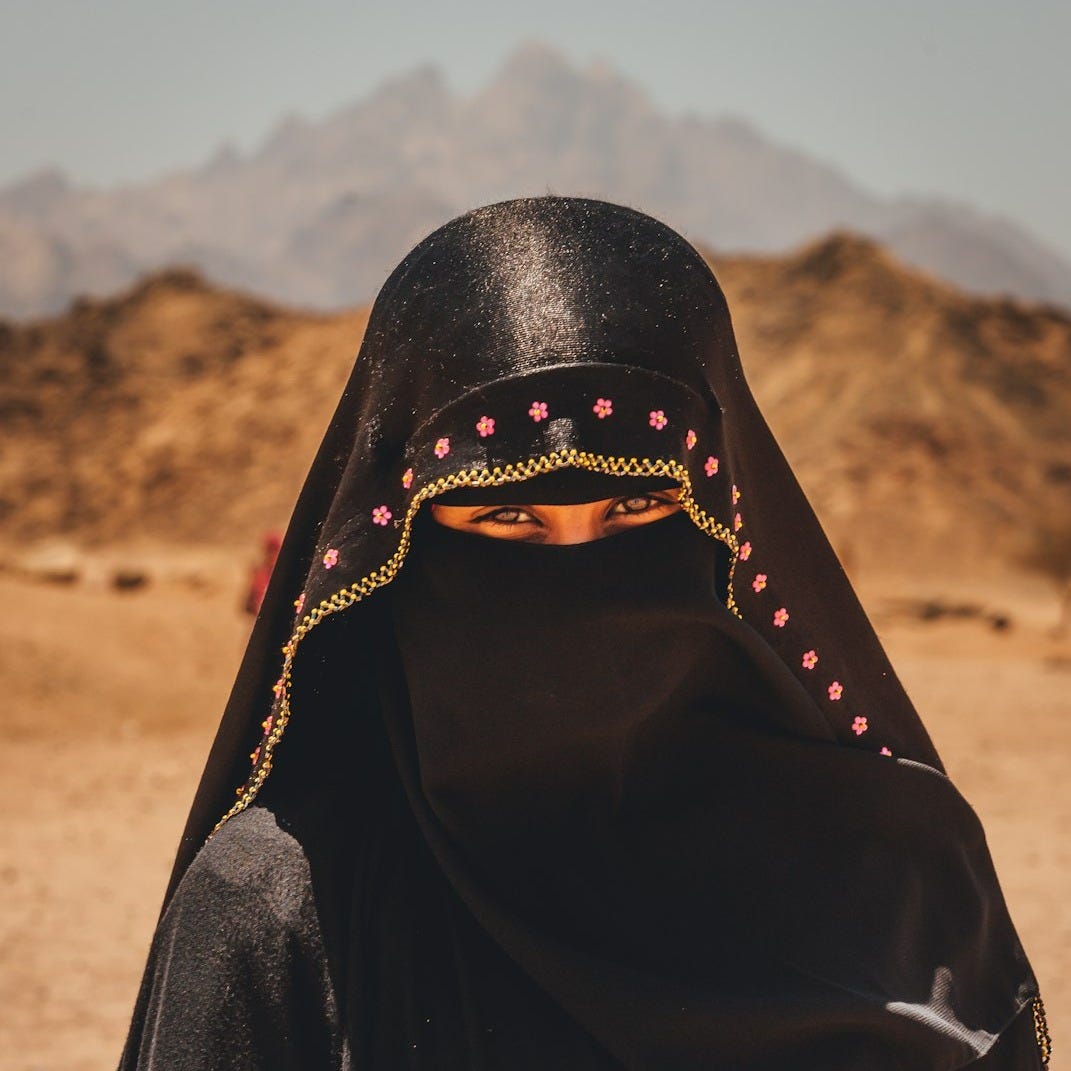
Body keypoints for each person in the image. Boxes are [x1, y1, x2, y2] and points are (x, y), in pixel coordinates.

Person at [118, 196, 1050, 1069]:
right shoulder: (280, 911)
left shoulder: (901, 883)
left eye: (638, 507)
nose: (579, 579)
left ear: (723, 518)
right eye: (505, 522)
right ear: (400, 546)